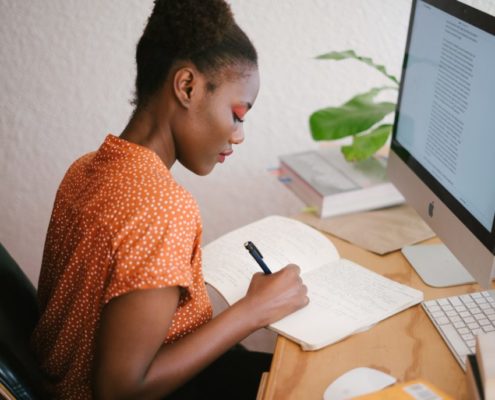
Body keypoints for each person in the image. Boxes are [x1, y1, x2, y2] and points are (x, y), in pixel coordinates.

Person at [31, 1, 309, 399]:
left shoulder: (86, 168)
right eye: (237, 114)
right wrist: (252, 312)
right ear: (187, 87)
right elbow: (121, 389)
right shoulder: (162, 208)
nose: (238, 135)